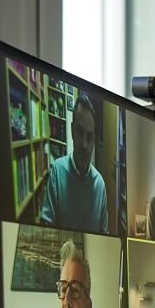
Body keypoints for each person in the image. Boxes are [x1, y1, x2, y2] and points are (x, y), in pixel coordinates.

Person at [39, 93, 108, 233]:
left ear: (94, 139)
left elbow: (105, 236)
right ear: (71, 130)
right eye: (79, 132)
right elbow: (46, 228)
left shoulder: (100, 185)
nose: (84, 144)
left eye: (89, 137)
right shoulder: (57, 172)